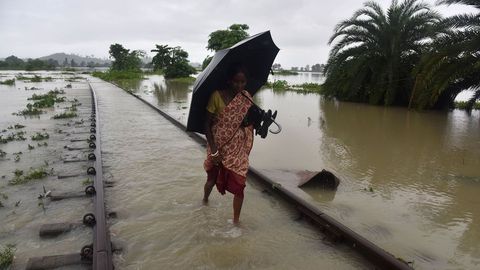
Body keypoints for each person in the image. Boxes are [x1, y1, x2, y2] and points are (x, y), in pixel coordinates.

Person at [202, 64, 254, 225]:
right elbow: (207, 125)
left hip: (237, 147)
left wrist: (258, 119)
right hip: (218, 144)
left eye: (243, 82)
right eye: (236, 82)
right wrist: (214, 151)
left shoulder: (246, 98)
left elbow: (246, 122)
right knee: (211, 178)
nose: (239, 86)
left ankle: (236, 221)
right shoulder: (216, 96)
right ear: (229, 81)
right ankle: (205, 200)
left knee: (240, 184)